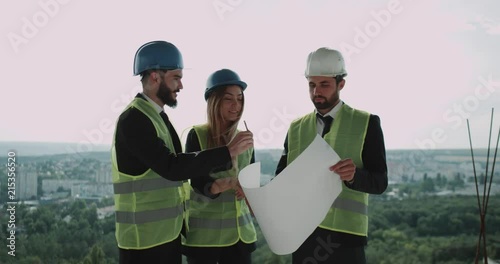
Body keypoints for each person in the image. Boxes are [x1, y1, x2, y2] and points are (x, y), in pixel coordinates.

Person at [111, 41, 254, 264]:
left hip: (166, 236)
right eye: (176, 78)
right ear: (155, 77)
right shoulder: (134, 119)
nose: (181, 86)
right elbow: (173, 167)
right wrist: (228, 152)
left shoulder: (157, 118)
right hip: (144, 241)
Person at [275, 47, 388, 264]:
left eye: (324, 84)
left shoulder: (367, 123)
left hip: (346, 240)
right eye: (311, 85)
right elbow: (280, 178)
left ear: (341, 84)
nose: (316, 91)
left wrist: (354, 176)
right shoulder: (296, 128)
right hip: (303, 236)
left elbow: (380, 182)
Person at [182, 69, 257, 264]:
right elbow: (201, 184)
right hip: (206, 241)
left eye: (240, 99)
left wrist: (248, 191)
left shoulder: (246, 139)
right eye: (228, 99)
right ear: (214, 101)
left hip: (241, 239)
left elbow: (252, 183)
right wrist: (231, 183)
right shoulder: (196, 135)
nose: (236, 105)